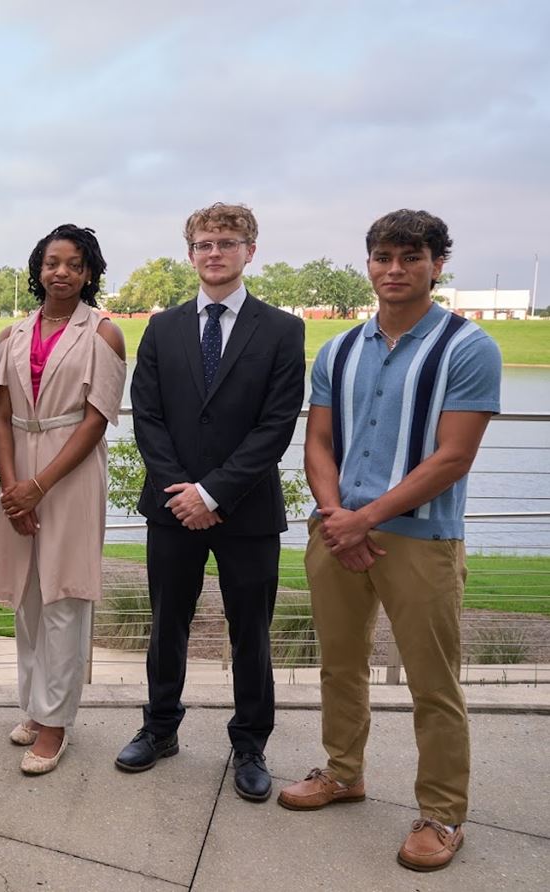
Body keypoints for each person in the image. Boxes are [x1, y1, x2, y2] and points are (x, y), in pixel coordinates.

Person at [278, 210, 500, 872]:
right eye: (382, 257)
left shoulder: (468, 347)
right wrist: (332, 512)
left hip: (418, 540)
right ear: (368, 264)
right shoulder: (339, 349)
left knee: (434, 684)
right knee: (339, 665)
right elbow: (318, 441)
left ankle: (442, 812)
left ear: (436, 264)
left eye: (410, 256)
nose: (394, 269)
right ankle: (344, 773)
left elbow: (452, 457)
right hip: (336, 530)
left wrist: (363, 519)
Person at [118, 203, 305, 804]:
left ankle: (249, 744)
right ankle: (160, 727)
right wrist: (184, 493)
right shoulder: (162, 328)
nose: (215, 252)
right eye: (204, 243)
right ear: (190, 252)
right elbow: (147, 416)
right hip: (172, 509)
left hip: (246, 512)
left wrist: (215, 492)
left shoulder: (281, 330)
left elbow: (275, 426)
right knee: (166, 624)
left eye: (227, 242)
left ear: (251, 250)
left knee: (250, 631)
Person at [0, 225, 126, 774]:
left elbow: (97, 420)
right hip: (17, 468)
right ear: (38, 269)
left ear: (89, 272)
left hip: (70, 474)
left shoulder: (105, 334)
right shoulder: (11, 335)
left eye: (73, 263)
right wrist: (12, 486)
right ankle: (34, 705)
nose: (60, 272)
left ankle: (57, 722)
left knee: (65, 597)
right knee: (28, 598)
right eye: (51, 262)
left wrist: (39, 486)